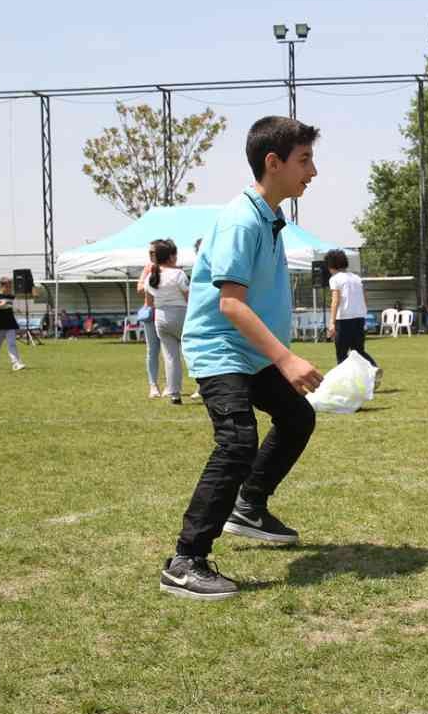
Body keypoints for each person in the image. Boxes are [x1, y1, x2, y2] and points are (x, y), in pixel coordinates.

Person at [161, 116, 324, 600]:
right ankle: (186, 560)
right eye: (304, 160)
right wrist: (287, 359)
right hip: (221, 350)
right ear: (273, 163)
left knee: (296, 418)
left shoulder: (269, 217)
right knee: (236, 442)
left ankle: (249, 506)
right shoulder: (241, 218)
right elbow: (230, 303)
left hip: (250, 353)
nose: (312, 172)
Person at [324, 248, 381, 388]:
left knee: (342, 353)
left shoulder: (335, 279)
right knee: (358, 351)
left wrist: (331, 322)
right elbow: (364, 297)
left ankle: (345, 385)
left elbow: (335, 300)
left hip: (344, 319)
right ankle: (373, 368)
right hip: (359, 317)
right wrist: (363, 312)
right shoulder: (356, 277)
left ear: (331, 266)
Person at [144, 239, 191, 403]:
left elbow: (149, 303)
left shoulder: (151, 275)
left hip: (161, 317)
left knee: (170, 357)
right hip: (181, 315)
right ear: (171, 256)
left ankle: (174, 394)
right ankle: (203, 388)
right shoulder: (178, 274)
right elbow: (188, 297)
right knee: (191, 353)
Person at [0, 276, 26, 372]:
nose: (9, 289)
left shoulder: (11, 297)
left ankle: (16, 364)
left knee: (12, 344)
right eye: (7, 286)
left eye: (10, 287)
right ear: (2, 286)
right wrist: (0, 305)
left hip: (11, 324)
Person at [136, 262, 162, 398]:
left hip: (167, 310)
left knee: (172, 351)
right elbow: (139, 289)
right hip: (151, 312)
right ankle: (153, 385)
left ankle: (172, 385)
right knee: (152, 350)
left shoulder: (173, 269)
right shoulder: (147, 268)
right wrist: (149, 281)